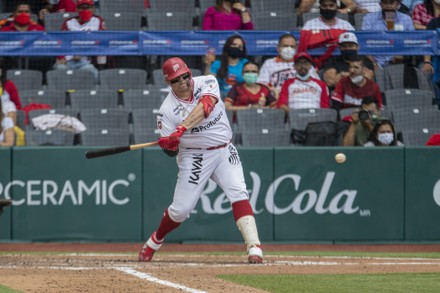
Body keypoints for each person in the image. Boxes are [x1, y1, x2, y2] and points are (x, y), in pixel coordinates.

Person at [138, 57, 263, 264]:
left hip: (224, 150)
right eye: (177, 79)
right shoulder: (166, 110)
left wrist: (182, 128)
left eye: (185, 76)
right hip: (194, 155)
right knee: (181, 211)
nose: (184, 82)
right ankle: (154, 241)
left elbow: (206, 106)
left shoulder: (207, 82)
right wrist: (169, 145)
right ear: (169, 82)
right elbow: (171, 152)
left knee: (238, 192)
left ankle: (254, 246)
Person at [53, 0, 105, 83]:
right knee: (59, 69)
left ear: (93, 8)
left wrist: (80, 52)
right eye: (81, 8)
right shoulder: (69, 22)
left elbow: (101, 41)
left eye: (88, 7)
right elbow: (61, 41)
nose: (85, 10)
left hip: (84, 62)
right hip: (67, 60)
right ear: (76, 9)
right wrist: (61, 57)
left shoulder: (97, 21)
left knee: (93, 72)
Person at [257, 33, 320, 98]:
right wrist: (273, 92)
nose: (289, 49)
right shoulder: (269, 63)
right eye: (285, 46)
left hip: (301, 98)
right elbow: (262, 84)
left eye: (292, 46)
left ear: (296, 48)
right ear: (278, 48)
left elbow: (317, 84)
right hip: (276, 99)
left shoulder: (304, 63)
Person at [361, 0, 415, 67]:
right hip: (375, 62)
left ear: (398, 4)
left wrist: (402, 54)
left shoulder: (406, 19)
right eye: (385, 3)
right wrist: (373, 62)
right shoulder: (369, 18)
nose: (388, 6)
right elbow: (363, 42)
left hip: (398, 62)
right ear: (380, 4)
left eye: (391, 3)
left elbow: (411, 41)